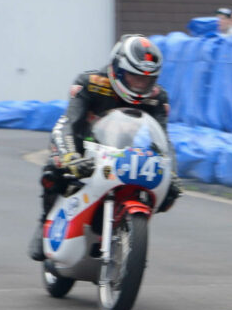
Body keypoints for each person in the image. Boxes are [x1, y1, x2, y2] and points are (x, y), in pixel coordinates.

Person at [27, 36, 181, 261]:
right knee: (54, 169)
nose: (140, 84)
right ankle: (44, 223)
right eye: (134, 76)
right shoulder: (90, 83)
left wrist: (173, 174)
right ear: (118, 69)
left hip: (121, 150)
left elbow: (164, 140)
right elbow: (69, 123)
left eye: (146, 80)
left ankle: (126, 229)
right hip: (81, 143)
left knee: (168, 193)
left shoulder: (157, 98)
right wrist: (71, 156)